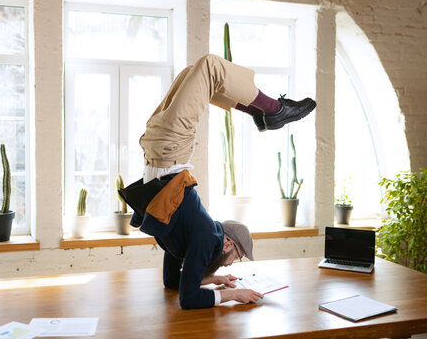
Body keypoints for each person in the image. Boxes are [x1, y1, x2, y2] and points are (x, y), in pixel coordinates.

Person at [119, 54, 316, 309]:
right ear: (228, 243)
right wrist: (230, 292)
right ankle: (272, 111)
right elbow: (185, 294)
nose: (232, 263)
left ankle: (268, 112)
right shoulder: (205, 235)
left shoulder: (200, 236)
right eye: (237, 256)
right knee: (201, 71)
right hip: (166, 149)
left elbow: (173, 284)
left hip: (163, 147)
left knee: (205, 70)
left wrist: (215, 279)